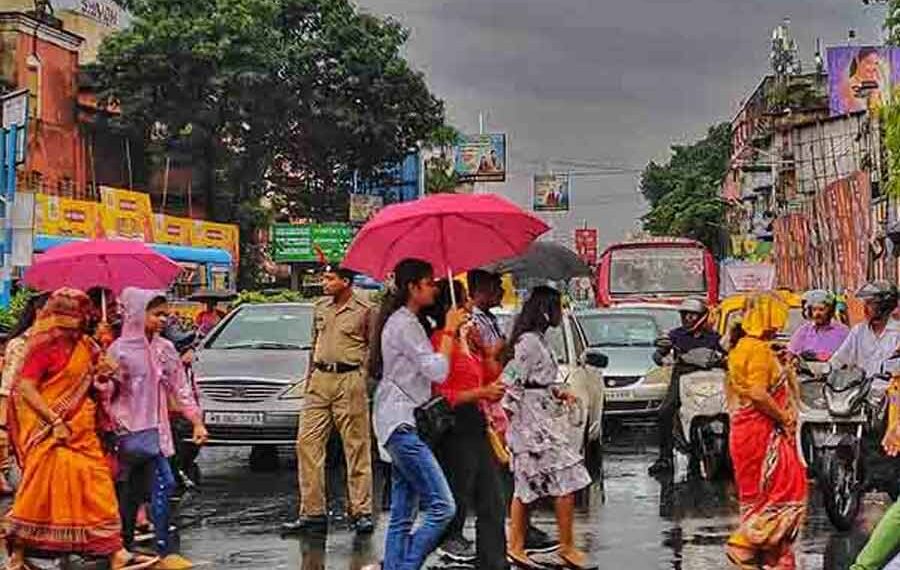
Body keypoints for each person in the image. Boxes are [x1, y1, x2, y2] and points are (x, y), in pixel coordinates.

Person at [5, 288, 158, 570]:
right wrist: (55, 421)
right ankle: (18, 551)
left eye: (80, 314)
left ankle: (115, 552)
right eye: (70, 314)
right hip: (51, 433)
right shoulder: (42, 347)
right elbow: (25, 388)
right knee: (39, 495)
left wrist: (106, 371)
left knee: (99, 489)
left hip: (84, 432)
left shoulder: (89, 346)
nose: (75, 321)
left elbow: (102, 385)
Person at [369, 258, 466, 570]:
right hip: (401, 424)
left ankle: (394, 565)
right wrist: (449, 330)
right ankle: (405, 565)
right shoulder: (404, 325)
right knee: (443, 506)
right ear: (412, 287)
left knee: (403, 513)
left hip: (400, 421)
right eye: (428, 283)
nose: (435, 289)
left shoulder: (406, 321)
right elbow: (437, 371)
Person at [108, 288, 209, 570]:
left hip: (157, 432)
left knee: (165, 484)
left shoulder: (165, 349)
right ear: (137, 314)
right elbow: (106, 395)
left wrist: (196, 421)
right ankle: (125, 548)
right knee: (130, 492)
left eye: (165, 314)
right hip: (126, 431)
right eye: (156, 314)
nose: (163, 320)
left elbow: (180, 388)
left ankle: (165, 550)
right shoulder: (118, 351)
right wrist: (106, 378)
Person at [465, 270, 558, 556]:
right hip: (491, 400)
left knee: (512, 472)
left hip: (501, 399)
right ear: (480, 289)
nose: (501, 291)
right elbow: (487, 364)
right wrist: (497, 349)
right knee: (504, 473)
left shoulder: (492, 320)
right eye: (495, 286)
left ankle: (520, 531)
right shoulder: (472, 323)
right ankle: (512, 536)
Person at [502, 286, 594, 570]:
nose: (560, 313)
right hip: (530, 424)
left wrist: (557, 392)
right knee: (561, 477)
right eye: (557, 307)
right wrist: (509, 424)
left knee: (529, 484)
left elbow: (539, 380)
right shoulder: (527, 343)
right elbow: (511, 380)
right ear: (545, 311)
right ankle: (559, 546)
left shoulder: (540, 340)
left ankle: (521, 545)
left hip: (542, 418)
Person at [283, 265, 376, 536]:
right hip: (320, 380)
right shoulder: (320, 307)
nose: (324, 283)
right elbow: (314, 344)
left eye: (330, 278)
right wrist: (309, 379)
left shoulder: (365, 309)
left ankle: (361, 511)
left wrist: (363, 378)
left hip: (349, 379)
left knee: (356, 447)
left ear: (345, 282)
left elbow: (372, 347)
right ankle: (312, 512)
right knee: (307, 444)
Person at [428, 279, 507, 569]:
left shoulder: (468, 341)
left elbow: (489, 375)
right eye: (463, 303)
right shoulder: (440, 342)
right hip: (455, 427)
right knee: (457, 495)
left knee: (492, 499)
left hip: (476, 421)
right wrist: (480, 393)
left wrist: (485, 350)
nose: (469, 308)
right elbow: (441, 394)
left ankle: (494, 561)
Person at [725, 293, 807, 568]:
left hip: (746, 433)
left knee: (761, 498)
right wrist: (784, 418)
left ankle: (776, 558)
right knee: (786, 490)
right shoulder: (757, 350)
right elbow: (758, 394)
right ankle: (743, 545)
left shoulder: (744, 346)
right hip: (762, 433)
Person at [649, 297, 722, 475]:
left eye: (693, 315)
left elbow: (728, 351)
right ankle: (665, 458)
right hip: (683, 377)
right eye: (685, 315)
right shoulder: (675, 335)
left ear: (703, 317)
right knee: (665, 411)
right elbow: (659, 353)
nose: (688, 318)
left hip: (710, 379)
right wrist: (661, 357)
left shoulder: (714, 337)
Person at [0, 293, 50, 496]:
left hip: (53, 420)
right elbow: (7, 389)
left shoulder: (62, 344)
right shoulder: (20, 345)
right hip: (25, 421)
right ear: (39, 312)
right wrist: (2, 428)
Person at [830, 281, 900, 377]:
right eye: (865, 303)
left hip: (890, 385)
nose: (865, 309)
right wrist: (822, 369)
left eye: (870, 304)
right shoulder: (858, 331)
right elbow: (839, 360)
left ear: (884, 306)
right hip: (861, 385)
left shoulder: (897, 332)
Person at [787, 290, 849, 362]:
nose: (817, 313)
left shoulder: (843, 332)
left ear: (830, 311)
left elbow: (851, 356)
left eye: (821, 310)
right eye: (814, 310)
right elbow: (790, 355)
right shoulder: (803, 331)